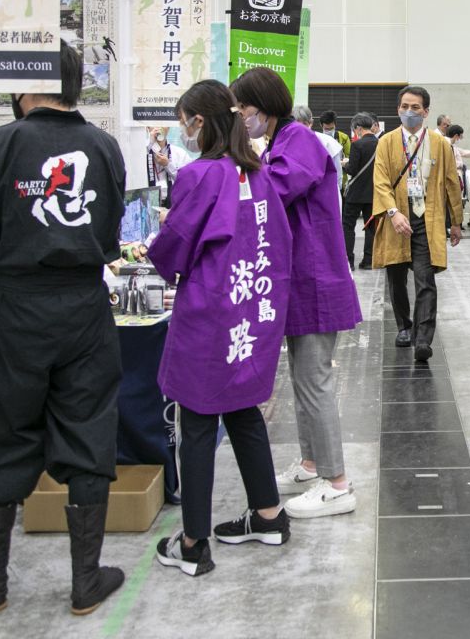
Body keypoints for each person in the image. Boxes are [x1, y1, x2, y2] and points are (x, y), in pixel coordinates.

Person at [0, 41, 127, 615]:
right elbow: (114, 225)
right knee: (89, 428)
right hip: (86, 307)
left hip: (18, 307)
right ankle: (86, 582)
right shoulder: (104, 146)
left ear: (23, 82)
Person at [151, 81, 293, 577]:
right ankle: (269, 515)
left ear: (201, 122)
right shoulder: (258, 174)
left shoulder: (200, 176)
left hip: (209, 317)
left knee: (195, 424)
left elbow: (174, 247)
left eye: (185, 119)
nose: (183, 129)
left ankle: (192, 543)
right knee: (241, 410)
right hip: (250, 312)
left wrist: (159, 250)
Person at [230, 68, 363, 520]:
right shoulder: (281, 142)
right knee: (303, 382)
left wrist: (233, 163)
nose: (240, 117)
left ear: (262, 106)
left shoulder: (299, 142)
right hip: (299, 280)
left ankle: (338, 483)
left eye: (242, 109)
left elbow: (272, 191)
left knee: (314, 381)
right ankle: (311, 465)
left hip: (315, 280)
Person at [372, 86, 464, 362]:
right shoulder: (386, 142)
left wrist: (456, 221)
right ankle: (404, 326)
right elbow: (381, 181)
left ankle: (423, 338)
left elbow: (451, 183)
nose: (408, 112)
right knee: (396, 276)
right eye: (404, 106)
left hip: (428, 217)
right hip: (396, 217)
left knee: (425, 280)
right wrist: (392, 212)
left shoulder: (440, 143)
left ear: (426, 111)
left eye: (415, 108)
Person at [342, 112, 379, 270]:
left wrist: (345, 164)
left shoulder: (357, 145)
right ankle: (369, 260)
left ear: (358, 128)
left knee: (348, 226)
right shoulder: (381, 143)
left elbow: (353, 169)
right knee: (371, 227)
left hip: (356, 193)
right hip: (373, 192)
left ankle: (349, 261)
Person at [146, 126, 191, 207]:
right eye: (154, 122)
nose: (158, 127)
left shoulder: (180, 154)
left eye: (163, 123)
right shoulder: (140, 153)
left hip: (173, 208)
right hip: (146, 206)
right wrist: (148, 147)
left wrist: (168, 165)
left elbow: (188, 182)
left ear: (169, 127)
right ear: (147, 128)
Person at [296, 105, 343, 177]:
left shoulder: (328, 142)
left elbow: (337, 173)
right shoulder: (286, 142)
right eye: (297, 124)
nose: (300, 127)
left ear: (311, 122)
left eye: (304, 123)